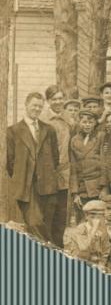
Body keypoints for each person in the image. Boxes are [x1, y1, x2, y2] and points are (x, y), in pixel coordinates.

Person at [7, 91, 60, 243]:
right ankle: (49, 254)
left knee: (46, 224)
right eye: (34, 106)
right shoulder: (13, 131)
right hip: (26, 185)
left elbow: (55, 157)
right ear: (26, 105)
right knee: (35, 222)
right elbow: (10, 162)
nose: (37, 109)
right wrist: (22, 175)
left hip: (47, 185)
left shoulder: (48, 130)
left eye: (40, 106)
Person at [42, 85, 73, 248]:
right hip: (48, 174)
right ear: (48, 101)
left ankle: (59, 249)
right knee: (48, 214)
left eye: (61, 98)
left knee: (61, 216)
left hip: (65, 174)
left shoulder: (69, 119)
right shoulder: (43, 119)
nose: (58, 102)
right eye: (54, 99)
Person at [69, 106, 105, 216]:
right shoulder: (74, 140)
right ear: (79, 123)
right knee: (82, 220)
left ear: (95, 123)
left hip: (97, 187)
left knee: (98, 219)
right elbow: (73, 168)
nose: (87, 125)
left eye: (90, 122)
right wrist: (75, 193)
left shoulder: (100, 136)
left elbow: (105, 164)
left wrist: (104, 188)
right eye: (84, 122)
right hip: (82, 188)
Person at [63, 199, 110, 269]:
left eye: (100, 217)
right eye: (93, 217)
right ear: (87, 216)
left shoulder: (103, 231)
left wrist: (102, 264)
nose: (97, 220)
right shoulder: (78, 230)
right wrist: (93, 231)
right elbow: (83, 250)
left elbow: (106, 251)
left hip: (96, 266)